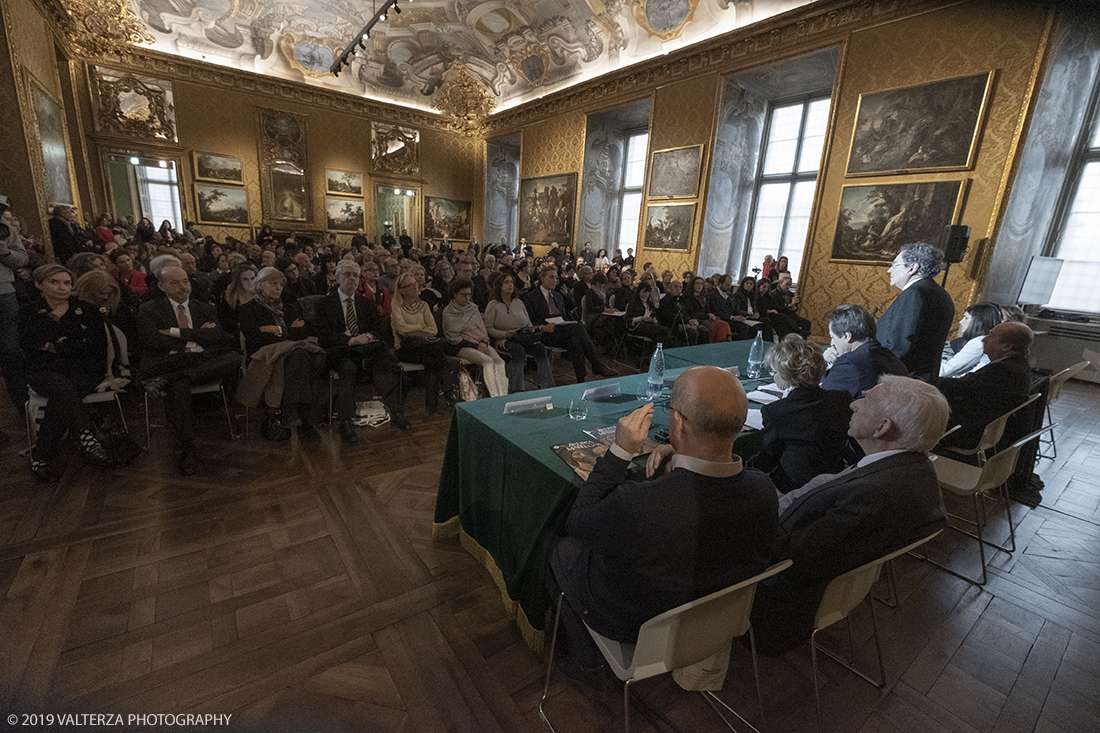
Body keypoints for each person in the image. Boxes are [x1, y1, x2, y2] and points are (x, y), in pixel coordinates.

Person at [548, 367, 779, 682]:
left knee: (560, 548)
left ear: (678, 423)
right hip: (716, 622)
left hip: (636, 624)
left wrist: (620, 451)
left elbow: (578, 520)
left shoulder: (639, 503)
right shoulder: (764, 489)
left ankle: (586, 662)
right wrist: (681, 449)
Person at [751, 375, 950, 656]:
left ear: (882, 428)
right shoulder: (916, 470)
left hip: (774, 602)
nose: (854, 405)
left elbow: (787, 555)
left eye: (866, 400)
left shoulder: (872, 494)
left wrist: (749, 496)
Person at [137, 266, 241, 474]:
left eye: (185, 281)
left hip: (194, 366)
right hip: (172, 360)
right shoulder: (149, 309)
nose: (183, 286)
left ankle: (171, 378)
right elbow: (153, 340)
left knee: (235, 357)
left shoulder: (204, 308)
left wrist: (175, 332)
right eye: (175, 283)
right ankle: (187, 447)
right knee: (179, 385)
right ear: (161, 286)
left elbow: (218, 336)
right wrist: (197, 335)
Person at [20, 264, 115, 480]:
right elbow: (29, 344)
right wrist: (53, 319)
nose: (62, 287)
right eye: (54, 282)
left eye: (67, 283)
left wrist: (56, 346)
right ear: (39, 284)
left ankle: (41, 457)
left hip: (83, 370)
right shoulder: (28, 310)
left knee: (63, 393)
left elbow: (95, 346)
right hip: (43, 370)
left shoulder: (86, 310)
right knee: (62, 387)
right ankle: (86, 437)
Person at [314, 260, 409, 439]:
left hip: (365, 348)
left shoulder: (365, 303)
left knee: (385, 362)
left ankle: (395, 410)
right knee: (348, 368)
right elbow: (324, 335)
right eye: (346, 274)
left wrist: (367, 337)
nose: (351, 279)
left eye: (355, 275)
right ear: (337, 277)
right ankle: (346, 420)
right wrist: (349, 340)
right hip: (341, 350)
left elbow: (378, 329)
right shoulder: (324, 304)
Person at [237, 267, 327, 442]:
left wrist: (275, 330)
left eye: (280, 284)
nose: (278, 288)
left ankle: (289, 410)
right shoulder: (248, 309)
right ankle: (304, 410)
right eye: (273, 283)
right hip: (263, 356)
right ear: (260, 285)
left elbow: (304, 331)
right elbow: (256, 337)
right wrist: (287, 330)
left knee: (300, 354)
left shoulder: (288, 306)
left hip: (290, 352)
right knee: (300, 355)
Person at [757, 335, 853, 494]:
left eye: (774, 372)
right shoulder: (842, 399)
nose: (772, 376)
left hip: (791, 488)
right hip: (834, 479)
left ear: (787, 375)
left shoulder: (775, 411)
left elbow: (770, 454)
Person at [937, 321, 1035, 451]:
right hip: (987, 431)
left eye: (991, 335)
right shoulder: (1018, 365)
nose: (984, 339)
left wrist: (927, 380)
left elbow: (961, 387)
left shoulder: (1002, 371)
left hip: (969, 433)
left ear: (1006, 346)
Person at [877, 243, 955, 382]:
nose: (890, 270)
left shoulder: (914, 293)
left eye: (895, 265)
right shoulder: (940, 293)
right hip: (921, 378)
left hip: (901, 380)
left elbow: (900, 345)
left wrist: (873, 370)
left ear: (912, 268)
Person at [523, 266, 616, 383]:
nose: (554, 281)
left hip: (561, 329)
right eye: (551, 277)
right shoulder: (531, 297)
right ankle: (596, 364)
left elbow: (570, 307)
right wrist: (543, 326)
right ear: (542, 278)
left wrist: (566, 295)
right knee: (578, 328)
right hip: (546, 331)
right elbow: (530, 321)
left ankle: (581, 379)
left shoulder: (557, 295)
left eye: (556, 278)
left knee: (575, 341)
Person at [391, 272, 453, 414]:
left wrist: (414, 331)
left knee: (432, 357)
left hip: (425, 347)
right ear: (402, 290)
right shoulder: (396, 305)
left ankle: (433, 404)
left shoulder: (424, 305)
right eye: (410, 285)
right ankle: (444, 393)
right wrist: (421, 329)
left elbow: (433, 329)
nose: (415, 286)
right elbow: (401, 330)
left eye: (415, 283)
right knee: (436, 351)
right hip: (404, 348)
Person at [484, 270, 554, 392]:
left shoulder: (519, 302)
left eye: (511, 282)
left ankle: (548, 386)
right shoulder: (493, 304)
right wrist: (505, 333)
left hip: (523, 336)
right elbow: (488, 328)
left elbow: (528, 323)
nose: (510, 285)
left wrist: (534, 331)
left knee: (540, 348)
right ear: (499, 286)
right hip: (504, 339)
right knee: (518, 350)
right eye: (506, 282)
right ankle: (517, 389)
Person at [820, 304, 908, 400]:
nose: (832, 343)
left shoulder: (850, 363)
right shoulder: (889, 355)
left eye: (832, 337)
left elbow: (822, 397)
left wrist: (824, 365)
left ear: (847, 336)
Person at [443, 279, 508, 398]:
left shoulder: (473, 308)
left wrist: (483, 341)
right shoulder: (448, 312)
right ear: (455, 294)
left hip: (480, 343)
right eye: (463, 294)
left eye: (469, 294)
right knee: (487, 361)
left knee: (499, 362)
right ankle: (493, 395)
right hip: (462, 346)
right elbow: (453, 338)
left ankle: (502, 395)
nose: (467, 298)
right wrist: (477, 345)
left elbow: (482, 330)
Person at [1, 203, 30, 410]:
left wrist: (5, 253)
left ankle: (23, 404)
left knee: (11, 350)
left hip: (4, 292)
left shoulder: (6, 231)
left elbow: (22, 258)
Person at [940, 302, 1001, 378]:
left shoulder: (979, 343)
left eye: (966, 318)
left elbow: (945, 371)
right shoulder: (985, 339)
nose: (961, 322)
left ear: (978, 321)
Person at [657, 279, 708, 346]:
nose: (678, 289)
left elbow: (689, 312)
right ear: (669, 288)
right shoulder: (664, 301)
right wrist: (688, 322)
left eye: (680, 287)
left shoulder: (683, 300)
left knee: (704, 331)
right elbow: (669, 316)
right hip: (674, 326)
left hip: (685, 323)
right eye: (675, 286)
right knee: (692, 333)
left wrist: (694, 322)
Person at [217, 263, 256, 335]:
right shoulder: (230, 298)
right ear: (238, 281)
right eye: (245, 279)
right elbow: (226, 323)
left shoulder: (261, 295)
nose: (250, 283)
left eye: (252, 278)